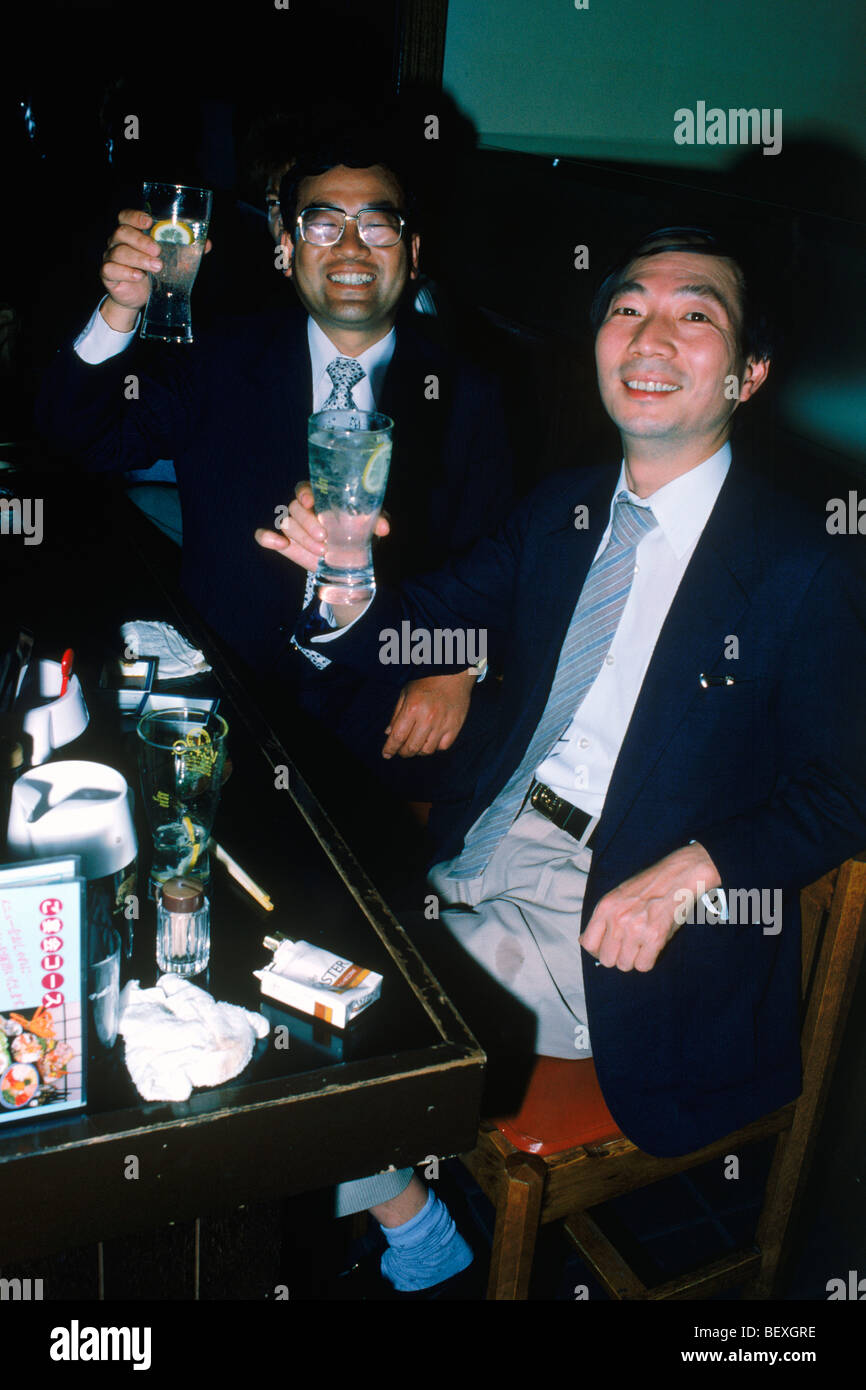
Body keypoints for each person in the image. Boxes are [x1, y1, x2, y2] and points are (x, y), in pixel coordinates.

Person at [278, 226, 866, 1169]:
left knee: (343, 1033)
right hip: (489, 839)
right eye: (628, 308)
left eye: (694, 315)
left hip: (620, 914)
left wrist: (694, 872)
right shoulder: (565, 509)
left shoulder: (807, 565)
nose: (650, 337)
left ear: (747, 376)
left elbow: (847, 789)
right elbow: (418, 619)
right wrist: (342, 570)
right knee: (289, 966)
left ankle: (406, 1229)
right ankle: (407, 1212)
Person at [37, 129, 517, 799]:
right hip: (223, 692)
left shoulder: (469, 391)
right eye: (323, 225)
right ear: (285, 250)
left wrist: (457, 666)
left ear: (411, 252)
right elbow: (82, 441)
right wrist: (121, 307)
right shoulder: (220, 359)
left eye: (376, 226)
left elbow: (499, 563)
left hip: (386, 701)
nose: (351, 247)